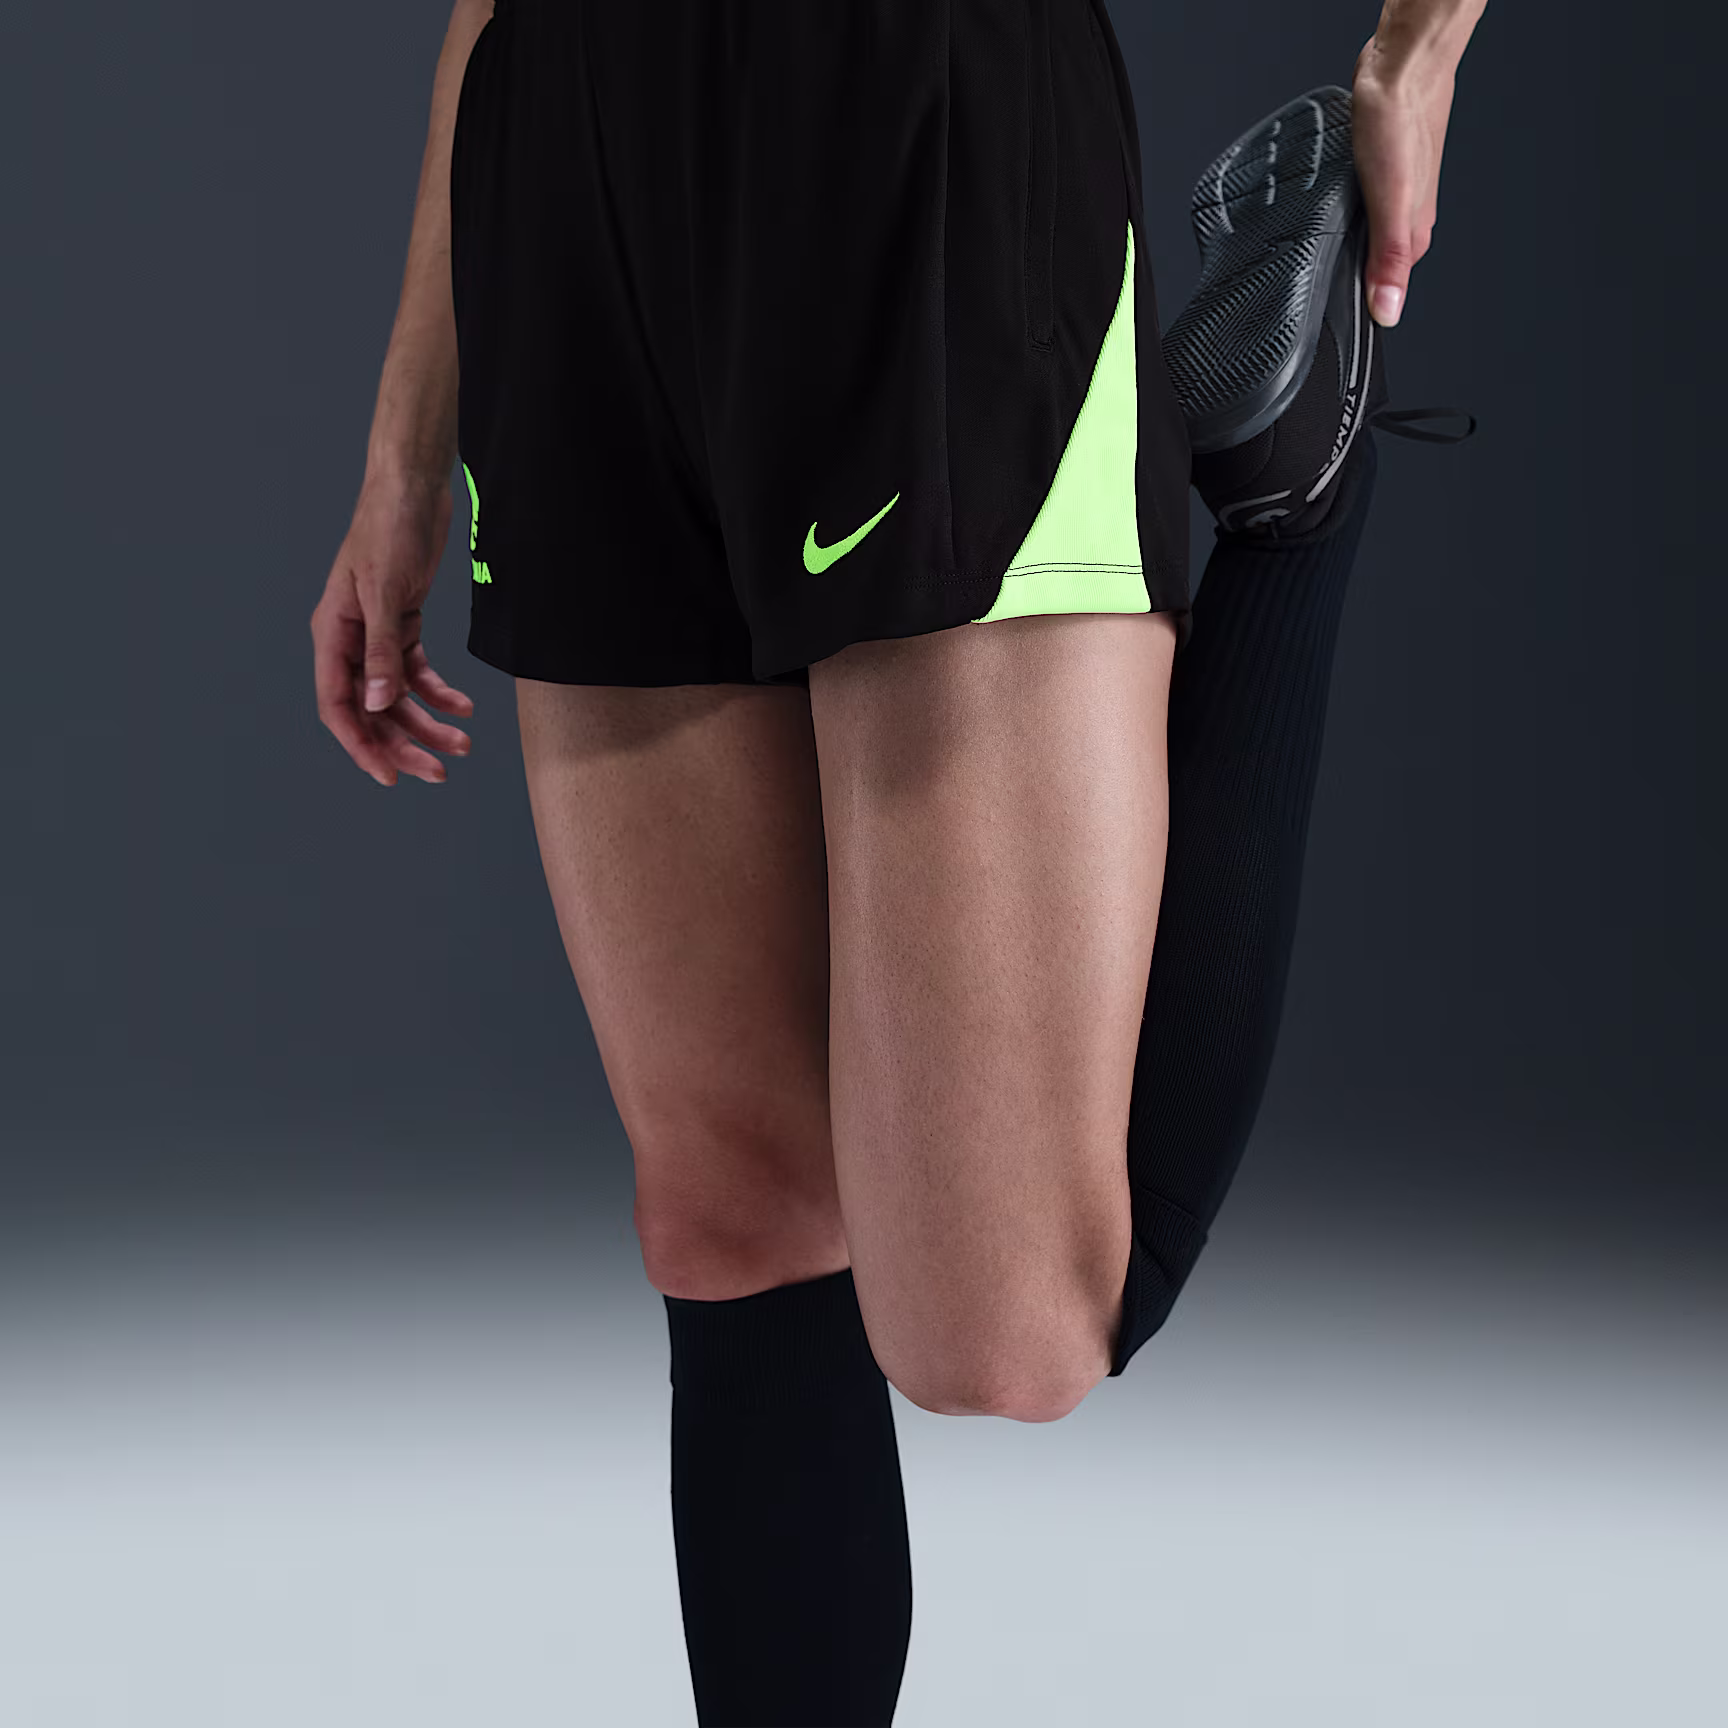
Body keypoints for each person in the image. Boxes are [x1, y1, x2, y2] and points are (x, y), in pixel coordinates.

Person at [309, 2, 1485, 1723]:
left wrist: (1414, 56)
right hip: (567, 170)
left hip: (908, 118)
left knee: (1011, 1329)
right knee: (730, 1218)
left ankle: (1301, 496)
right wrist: (405, 451)